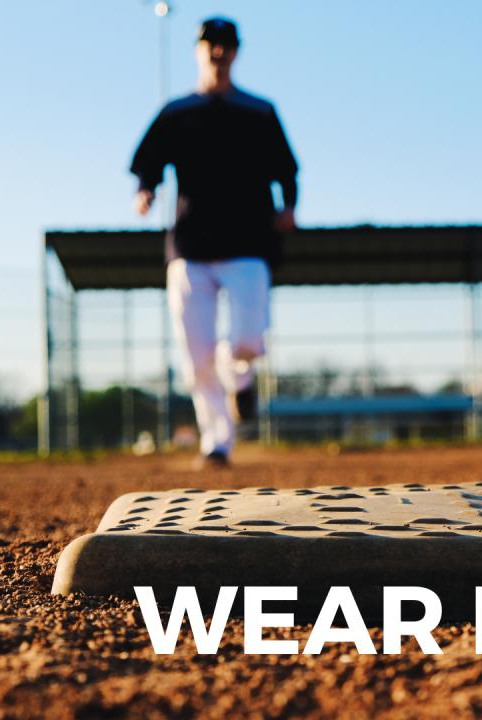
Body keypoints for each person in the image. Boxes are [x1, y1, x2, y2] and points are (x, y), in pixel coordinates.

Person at [130, 17, 298, 467]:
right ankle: (216, 441)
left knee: (246, 341)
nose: (217, 52)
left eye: (225, 45)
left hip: (248, 242)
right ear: (198, 50)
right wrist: (145, 189)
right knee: (196, 355)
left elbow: (287, 168)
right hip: (190, 246)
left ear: (236, 52)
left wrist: (289, 205)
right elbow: (148, 160)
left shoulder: (259, 110)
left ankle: (240, 377)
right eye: (210, 44)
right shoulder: (177, 111)